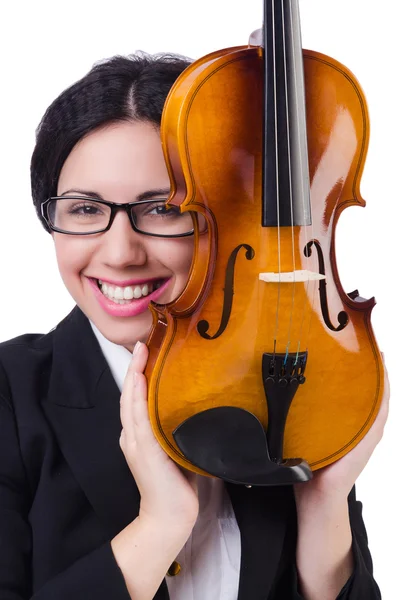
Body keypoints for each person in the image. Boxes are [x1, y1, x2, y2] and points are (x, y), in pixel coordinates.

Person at [0, 52, 389, 600]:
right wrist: (159, 527)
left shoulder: (282, 385)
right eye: (85, 210)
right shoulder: (10, 394)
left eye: (161, 209)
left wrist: (326, 497)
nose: (120, 253)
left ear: (228, 216)